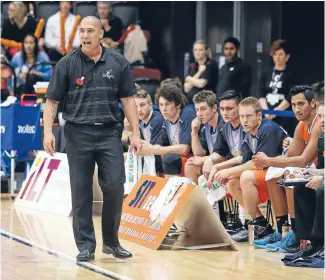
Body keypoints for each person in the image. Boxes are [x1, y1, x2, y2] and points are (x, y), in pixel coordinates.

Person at [43, 16, 142, 262]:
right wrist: (47, 132)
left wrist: (136, 133)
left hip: (110, 132)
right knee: (81, 191)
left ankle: (111, 242)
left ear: (100, 33)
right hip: (78, 133)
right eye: (82, 31)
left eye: (90, 31)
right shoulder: (67, 64)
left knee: (115, 186)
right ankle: (85, 245)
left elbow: (129, 100)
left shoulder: (118, 62)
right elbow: (51, 101)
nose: (85, 36)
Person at [252, 85, 322, 252]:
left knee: (291, 173)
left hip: (319, 170)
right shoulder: (301, 125)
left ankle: (296, 232)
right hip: (314, 169)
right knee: (273, 173)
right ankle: (282, 229)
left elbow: (303, 160)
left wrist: (269, 160)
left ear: (313, 104)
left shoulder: (319, 123)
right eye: (293, 105)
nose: (296, 109)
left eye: (300, 104)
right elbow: (291, 156)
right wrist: (270, 162)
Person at [213, 97, 286, 242]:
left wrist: (228, 171)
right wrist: (225, 171)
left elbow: (258, 164)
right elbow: (246, 161)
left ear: (259, 116)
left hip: (282, 174)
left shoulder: (268, 129)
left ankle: (255, 224)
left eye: (248, 116)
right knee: (233, 182)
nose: (244, 120)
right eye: (242, 116)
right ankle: (259, 223)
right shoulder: (248, 133)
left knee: (245, 176)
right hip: (267, 174)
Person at [282, 101, 324, 263]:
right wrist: (307, 173)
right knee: (301, 186)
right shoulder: (322, 139)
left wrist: (321, 177)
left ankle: (322, 242)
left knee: (322, 188)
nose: (322, 120)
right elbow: (320, 169)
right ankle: (310, 242)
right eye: (320, 116)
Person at [140, 83, 196, 178]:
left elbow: (184, 149)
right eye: (161, 105)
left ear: (177, 104)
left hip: (194, 158)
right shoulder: (166, 120)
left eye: (167, 104)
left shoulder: (187, 114)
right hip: (180, 159)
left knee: (169, 158)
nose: (163, 109)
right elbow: (159, 144)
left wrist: (156, 149)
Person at [258, 39, 296, 136]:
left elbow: (290, 95)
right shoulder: (266, 73)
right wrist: (267, 112)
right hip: (266, 114)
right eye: (275, 54)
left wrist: (276, 112)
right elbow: (261, 93)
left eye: (280, 54)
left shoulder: (290, 75)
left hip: (283, 116)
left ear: (287, 57)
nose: (277, 57)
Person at [184, 90, 223, 183]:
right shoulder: (206, 126)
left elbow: (225, 156)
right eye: (197, 110)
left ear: (214, 108)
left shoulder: (223, 124)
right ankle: (197, 197)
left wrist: (205, 159)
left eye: (203, 109)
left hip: (227, 164)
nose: (199, 114)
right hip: (214, 162)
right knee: (190, 165)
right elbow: (199, 154)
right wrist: (194, 132)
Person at [133, 89, 165, 174]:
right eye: (135, 106)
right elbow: (134, 147)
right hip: (150, 160)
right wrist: (129, 130)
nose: (139, 110)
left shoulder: (157, 120)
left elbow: (154, 151)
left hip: (161, 162)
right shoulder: (140, 122)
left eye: (142, 105)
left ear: (150, 105)